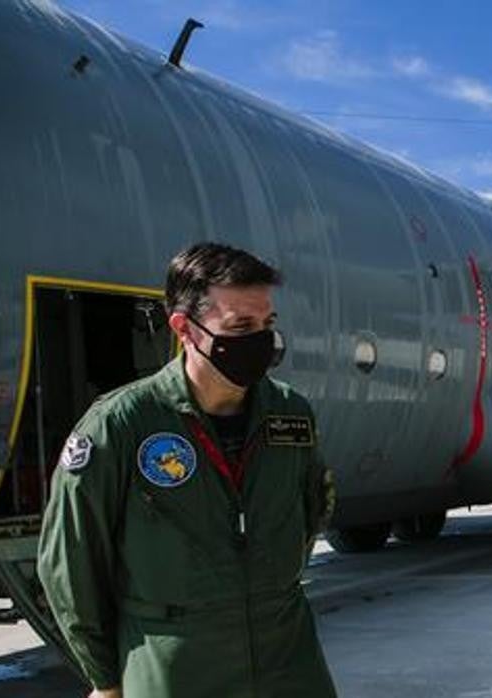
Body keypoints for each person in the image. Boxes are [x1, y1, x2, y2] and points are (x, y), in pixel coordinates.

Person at [38, 243, 337, 698]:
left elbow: (312, 508)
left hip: (287, 660)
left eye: (266, 325)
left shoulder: (290, 413)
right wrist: (103, 677)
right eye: (240, 326)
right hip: (174, 665)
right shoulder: (121, 424)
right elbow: (71, 562)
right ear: (185, 329)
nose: (260, 340)